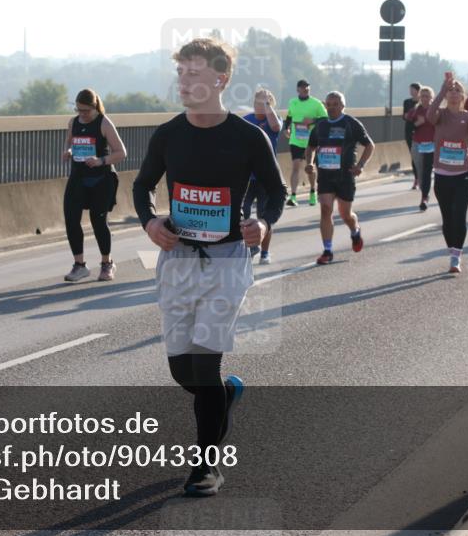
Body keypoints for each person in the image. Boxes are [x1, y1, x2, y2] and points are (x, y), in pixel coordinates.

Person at [133, 38, 286, 497]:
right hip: (177, 259)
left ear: (220, 79)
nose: (184, 81)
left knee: (204, 365)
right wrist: (151, 221)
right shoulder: (168, 134)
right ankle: (223, 398)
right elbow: (142, 188)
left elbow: (276, 193)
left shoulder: (247, 136)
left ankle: (205, 467)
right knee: (185, 373)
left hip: (227, 260)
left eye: (194, 73)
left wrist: (262, 221)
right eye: (180, 72)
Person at [61, 89, 128, 282]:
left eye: (86, 110)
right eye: (78, 110)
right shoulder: (73, 122)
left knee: (98, 221)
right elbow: (69, 143)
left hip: (101, 179)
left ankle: (107, 264)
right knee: (71, 220)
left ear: (94, 107)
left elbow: (121, 152)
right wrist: (68, 151)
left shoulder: (104, 123)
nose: (82, 114)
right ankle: (79, 265)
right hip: (78, 177)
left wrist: (100, 160)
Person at [426, 73, 468, 274]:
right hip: (443, 175)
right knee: (447, 218)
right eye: (451, 91)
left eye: (458, 91)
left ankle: (456, 257)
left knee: (458, 215)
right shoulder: (441, 115)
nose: (454, 94)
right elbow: (429, 115)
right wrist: (443, 88)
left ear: (463, 96)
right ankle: (451, 249)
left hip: (463, 175)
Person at [306, 91, 375, 264]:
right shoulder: (320, 126)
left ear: (343, 106)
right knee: (325, 210)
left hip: (345, 176)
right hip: (326, 176)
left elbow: (369, 145)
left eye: (335, 104)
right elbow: (311, 147)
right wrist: (310, 163)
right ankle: (327, 251)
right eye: (328, 104)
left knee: (346, 215)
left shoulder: (351, 123)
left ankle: (355, 231)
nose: (331, 107)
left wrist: (360, 166)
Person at [242, 88, 282, 264]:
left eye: (264, 102)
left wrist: (267, 106)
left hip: (266, 177)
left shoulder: (273, 119)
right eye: (258, 101)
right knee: (242, 210)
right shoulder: (246, 121)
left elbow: (275, 127)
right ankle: (251, 246)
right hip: (247, 176)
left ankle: (264, 252)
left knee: (263, 216)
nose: (260, 105)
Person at [282, 79, 327, 206]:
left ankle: (313, 192)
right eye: (302, 87)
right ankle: (293, 196)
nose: (305, 89)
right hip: (296, 139)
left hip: (311, 141)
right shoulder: (292, 102)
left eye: (307, 87)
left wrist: (312, 121)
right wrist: (287, 128)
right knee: (295, 166)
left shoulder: (317, 103)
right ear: (298, 89)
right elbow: (289, 117)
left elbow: (324, 118)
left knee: (310, 168)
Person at [405, 85, 436, 210]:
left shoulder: (435, 110)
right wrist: (418, 123)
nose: (424, 98)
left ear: (431, 98)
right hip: (417, 144)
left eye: (427, 96)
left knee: (427, 170)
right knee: (419, 171)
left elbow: (441, 125)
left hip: (431, 144)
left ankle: (424, 197)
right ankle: (425, 192)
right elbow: (408, 127)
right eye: (422, 96)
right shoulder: (415, 110)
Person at [403, 83, 421, 191]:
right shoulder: (407, 102)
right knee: (414, 156)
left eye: (412, 89)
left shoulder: (423, 102)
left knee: (424, 156)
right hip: (410, 131)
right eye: (410, 89)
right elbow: (404, 116)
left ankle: (423, 176)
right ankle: (416, 179)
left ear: (417, 90)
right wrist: (409, 116)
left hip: (422, 131)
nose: (410, 91)